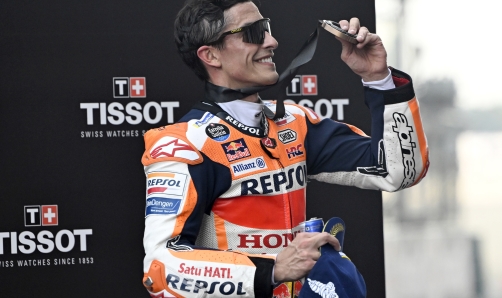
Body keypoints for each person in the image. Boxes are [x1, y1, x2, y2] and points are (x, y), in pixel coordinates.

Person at [141, 0, 429, 297]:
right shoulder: (186, 145)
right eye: (253, 33)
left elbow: (398, 171)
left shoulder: (295, 123)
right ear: (211, 55)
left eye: (265, 28)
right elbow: (161, 268)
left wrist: (378, 79)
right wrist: (274, 270)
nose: (272, 41)